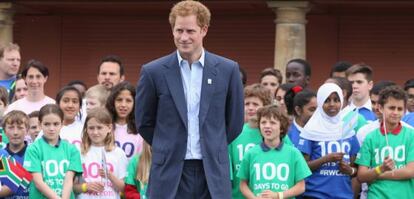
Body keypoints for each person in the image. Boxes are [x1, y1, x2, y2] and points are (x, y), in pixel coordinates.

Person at [135, 1, 244, 198]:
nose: (183, 37)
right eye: (179, 30)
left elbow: (234, 122)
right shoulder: (153, 71)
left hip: (212, 171)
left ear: (204, 30)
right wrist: (167, 144)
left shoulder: (228, 70)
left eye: (190, 31)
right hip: (169, 171)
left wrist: (213, 142)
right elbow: (144, 122)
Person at [298, 83, 360, 199]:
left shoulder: (348, 130)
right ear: (320, 102)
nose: (332, 104)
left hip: (343, 195)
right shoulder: (310, 130)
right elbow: (301, 167)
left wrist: (350, 170)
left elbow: (356, 168)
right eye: (327, 100)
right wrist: (325, 159)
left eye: (336, 100)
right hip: (315, 195)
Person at [238, 105, 311, 198]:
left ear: (281, 127)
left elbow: (301, 186)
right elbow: (242, 184)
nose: (267, 126)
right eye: (263, 122)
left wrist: (278, 195)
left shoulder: (294, 153)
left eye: (272, 123)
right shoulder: (251, 153)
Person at [356, 85, 414, 198]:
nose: (396, 112)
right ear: (381, 108)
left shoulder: (411, 135)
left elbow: (410, 171)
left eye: (400, 109)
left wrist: (378, 174)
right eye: (391, 108)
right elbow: (361, 176)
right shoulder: (370, 138)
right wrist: (381, 168)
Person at [23, 104, 82, 198]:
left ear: (62, 124)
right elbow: (38, 183)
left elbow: (69, 180)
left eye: (56, 124)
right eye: (47, 124)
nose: (51, 128)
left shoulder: (72, 149)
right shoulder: (33, 149)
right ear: (40, 124)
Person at [229, 84, 273, 199]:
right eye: (246, 104)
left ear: (266, 106)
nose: (250, 108)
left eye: (255, 104)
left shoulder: (276, 133)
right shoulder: (234, 132)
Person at [74, 108, 128, 199]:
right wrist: (85, 187)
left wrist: (110, 176)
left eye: (99, 127)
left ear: (109, 128)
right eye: (91, 128)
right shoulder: (79, 152)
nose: (95, 132)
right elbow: (72, 187)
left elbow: (124, 189)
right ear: (86, 129)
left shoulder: (119, 154)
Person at [106, 82, 143, 160]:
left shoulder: (140, 131)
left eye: (128, 101)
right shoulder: (104, 127)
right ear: (113, 102)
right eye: (119, 100)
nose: (123, 105)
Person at [0, 110, 30, 199]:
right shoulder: (1, 155)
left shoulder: (34, 154)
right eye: (11, 127)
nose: (15, 132)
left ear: (27, 130)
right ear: (4, 131)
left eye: (20, 128)